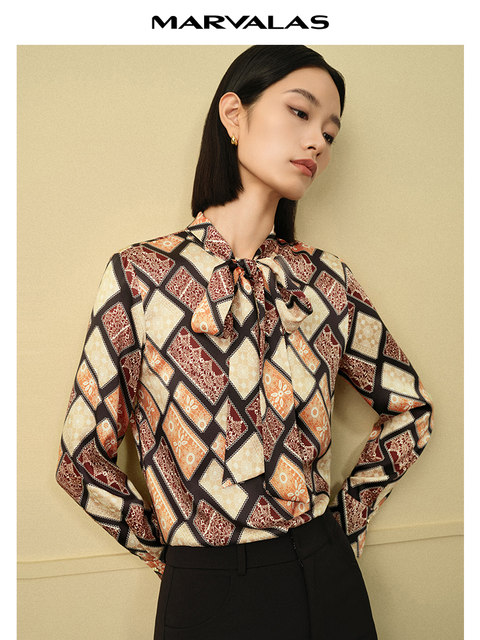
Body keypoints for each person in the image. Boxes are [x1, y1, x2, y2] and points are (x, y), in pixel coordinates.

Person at [55, 45, 434, 640]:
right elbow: (81, 458)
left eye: (330, 133)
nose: (317, 142)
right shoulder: (140, 275)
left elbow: (411, 410)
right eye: (300, 113)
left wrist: (343, 525)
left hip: (326, 575)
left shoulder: (326, 279)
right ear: (234, 115)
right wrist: (180, 558)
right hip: (207, 592)